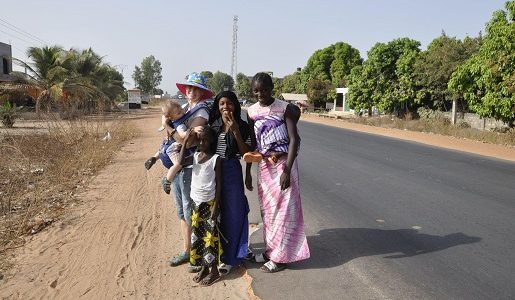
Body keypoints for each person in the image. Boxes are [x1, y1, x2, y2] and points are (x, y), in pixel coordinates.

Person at [246, 72, 310, 273]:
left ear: (271, 88)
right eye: (256, 90)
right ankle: (270, 251)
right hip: (265, 167)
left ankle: (281, 258)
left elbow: (294, 140)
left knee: (283, 211)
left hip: (283, 165)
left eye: (264, 89)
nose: (260, 94)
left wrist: (287, 170)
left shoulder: (285, 108)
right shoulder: (252, 111)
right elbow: (253, 143)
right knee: (268, 211)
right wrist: (248, 170)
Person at [167, 72, 213, 271]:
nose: (190, 91)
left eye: (195, 88)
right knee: (181, 212)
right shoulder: (185, 109)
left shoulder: (201, 112)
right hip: (177, 167)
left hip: (188, 167)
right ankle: (187, 249)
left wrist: (169, 128)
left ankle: (198, 252)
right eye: (189, 88)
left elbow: (188, 141)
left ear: (202, 93)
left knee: (190, 210)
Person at [209, 91, 254, 275]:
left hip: (232, 171)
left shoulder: (242, 126)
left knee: (235, 213)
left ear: (235, 105)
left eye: (229, 103)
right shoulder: (213, 126)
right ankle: (219, 253)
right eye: (221, 104)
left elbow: (247, 153)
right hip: (213, 172)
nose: (225, 107)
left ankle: (232, 257)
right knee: (218, 214)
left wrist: (235, 130)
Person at [178, 125, 222, 286]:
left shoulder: (215, 159)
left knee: (210, 239)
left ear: (211, 141)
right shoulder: (195, 156)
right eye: (199, 140)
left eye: (205, 140)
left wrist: (216, 206)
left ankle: (214, 271)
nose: (202, 143)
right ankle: (204, 268)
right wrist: (185, 142)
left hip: (209, 204)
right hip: (196, 203)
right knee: (198, 238)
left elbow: (219, 185)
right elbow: (181, 161)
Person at [144, 101, 188, 190]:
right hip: (173, 148)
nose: (182, 112)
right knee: (178, 164)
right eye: (179, 113)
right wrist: (191, 130)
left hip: (167, 143)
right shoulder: (180, 125)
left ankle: (154, 158)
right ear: (170, 117)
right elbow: (183, 135)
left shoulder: (171, 121)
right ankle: (167, 180)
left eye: (181, 109)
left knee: (163, 147)